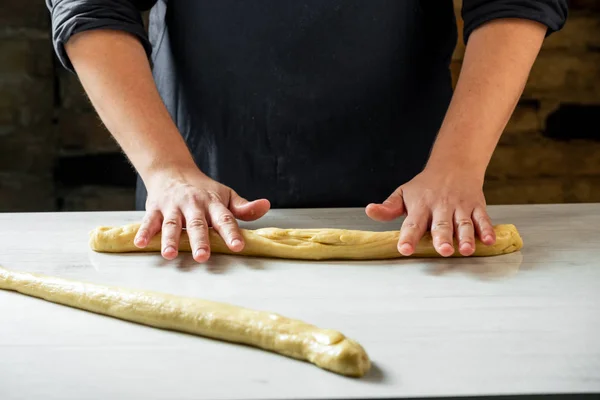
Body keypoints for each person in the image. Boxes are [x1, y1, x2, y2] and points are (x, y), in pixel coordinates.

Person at [46, 0, 567, 262]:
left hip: (417, 206)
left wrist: (458, 163)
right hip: (199, 206)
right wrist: (167, 168)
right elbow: (92, 5)